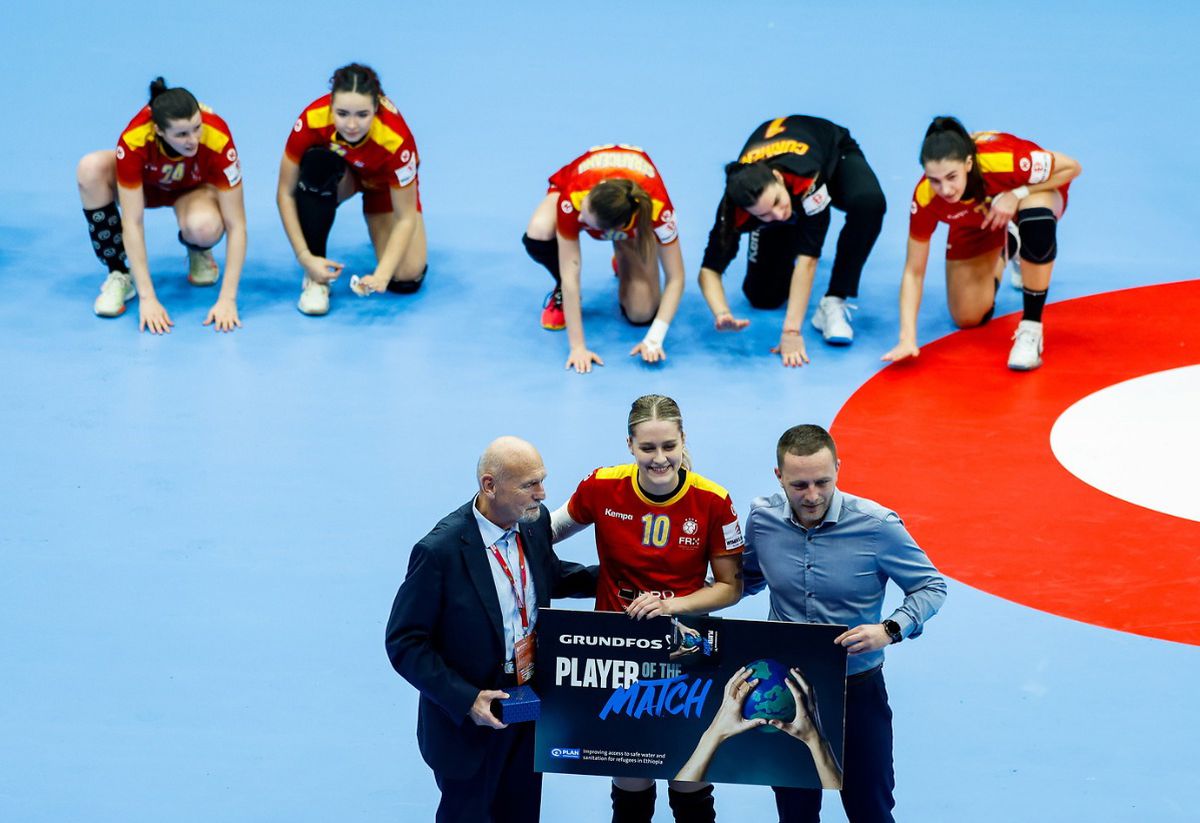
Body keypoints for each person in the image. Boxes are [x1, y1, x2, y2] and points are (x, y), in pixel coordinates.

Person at [551, 394, 744, 822]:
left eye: (669, 447)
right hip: (615, 648)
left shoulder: (713, 501)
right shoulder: (602, 485)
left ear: (683, 441)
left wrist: (671, 605)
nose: (660, 459)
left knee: (687, 774)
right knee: (630, 774)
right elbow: (546, 531)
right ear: (630, 445)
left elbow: (730, 588)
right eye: (648, 448)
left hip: (685, 647)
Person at [385, 436, 597, 823]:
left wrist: (625, 583)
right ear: (489, 486)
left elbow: (549, 576)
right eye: (529, 484)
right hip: (469, 720)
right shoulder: (439, 552)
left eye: (542, 480)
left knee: (520, 811)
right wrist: (467, 699)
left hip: (527, 701)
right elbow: (405, 642)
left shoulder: (532, 523)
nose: (542, 493)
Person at [742, 424, 947, 822]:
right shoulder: (762, 518)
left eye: (823, 481)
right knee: (795, 812)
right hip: (784, 691)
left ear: (838, 468)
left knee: (870, 809)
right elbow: (746, 578)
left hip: (858, 692)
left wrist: (889, 629)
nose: (812, 496)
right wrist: (677, 597)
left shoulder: (877, 526)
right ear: (778, 476)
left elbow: (930, 586)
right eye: (799, 485)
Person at [882, 116, 1082, 370]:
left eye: (952, 176)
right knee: (967, 316)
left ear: (968, 163)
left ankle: (1031, 328)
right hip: (979, 220)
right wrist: (907, 338)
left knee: (1036, 221)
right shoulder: (926, 197)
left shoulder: (1003, 159)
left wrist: (1017, 194)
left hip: (1032, 193)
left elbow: (1072, 168)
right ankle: (1011, 242)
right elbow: (913, 271)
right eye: (936, 180)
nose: (945, 189)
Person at [698, 116, 886, 366]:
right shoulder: (734, 209)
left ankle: (834, 299)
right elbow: (709, 270)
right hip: (786, 192)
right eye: (764, 214)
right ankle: (772, 218)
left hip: (832, 156)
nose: (777, 215)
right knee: (763, 298)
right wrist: (721, 312)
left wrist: (791, 332)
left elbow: (808, 260)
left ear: (777, 177)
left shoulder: (807, 181)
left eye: (776, 202)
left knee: (869, 204)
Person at [76, 78, 247, 333]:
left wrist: (227, 300)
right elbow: (132, 222)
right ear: (158, 130)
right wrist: (148, 299)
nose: (193, 140)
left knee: (205, 227)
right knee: (90, 169)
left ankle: (198, 248)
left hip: (192, 189)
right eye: (181, 134)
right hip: (145, 188)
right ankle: (120, 273)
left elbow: (237, 225)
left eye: (196, 128)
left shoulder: (217, 136)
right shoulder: (134, 140)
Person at [277, 63, 426, 316]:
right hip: (342, 176)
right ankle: (317, 278)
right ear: (331, 106)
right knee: (315, 168)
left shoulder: (396, 140)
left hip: (382, 188)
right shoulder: (312, 119)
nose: (352, 125)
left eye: (362, 115)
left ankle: (380, 231)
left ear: (376, 109)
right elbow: (285, 193)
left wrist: (382, 275)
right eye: (342, 113)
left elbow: (405, 217)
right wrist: (304, 257)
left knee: (405, 278)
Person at [523, 145, 686, 373]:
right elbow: (572, 273)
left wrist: (654, 338)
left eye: (586, 221)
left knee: (642, 313)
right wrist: (578, 347)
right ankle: (562, 288)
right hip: (575, 188)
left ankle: (626, 251)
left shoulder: (659, 209)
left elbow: (676, 277)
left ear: (616, 228)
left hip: (630, 226)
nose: (579, 218)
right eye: (583, 212)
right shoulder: (575, 200)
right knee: (538, 233)